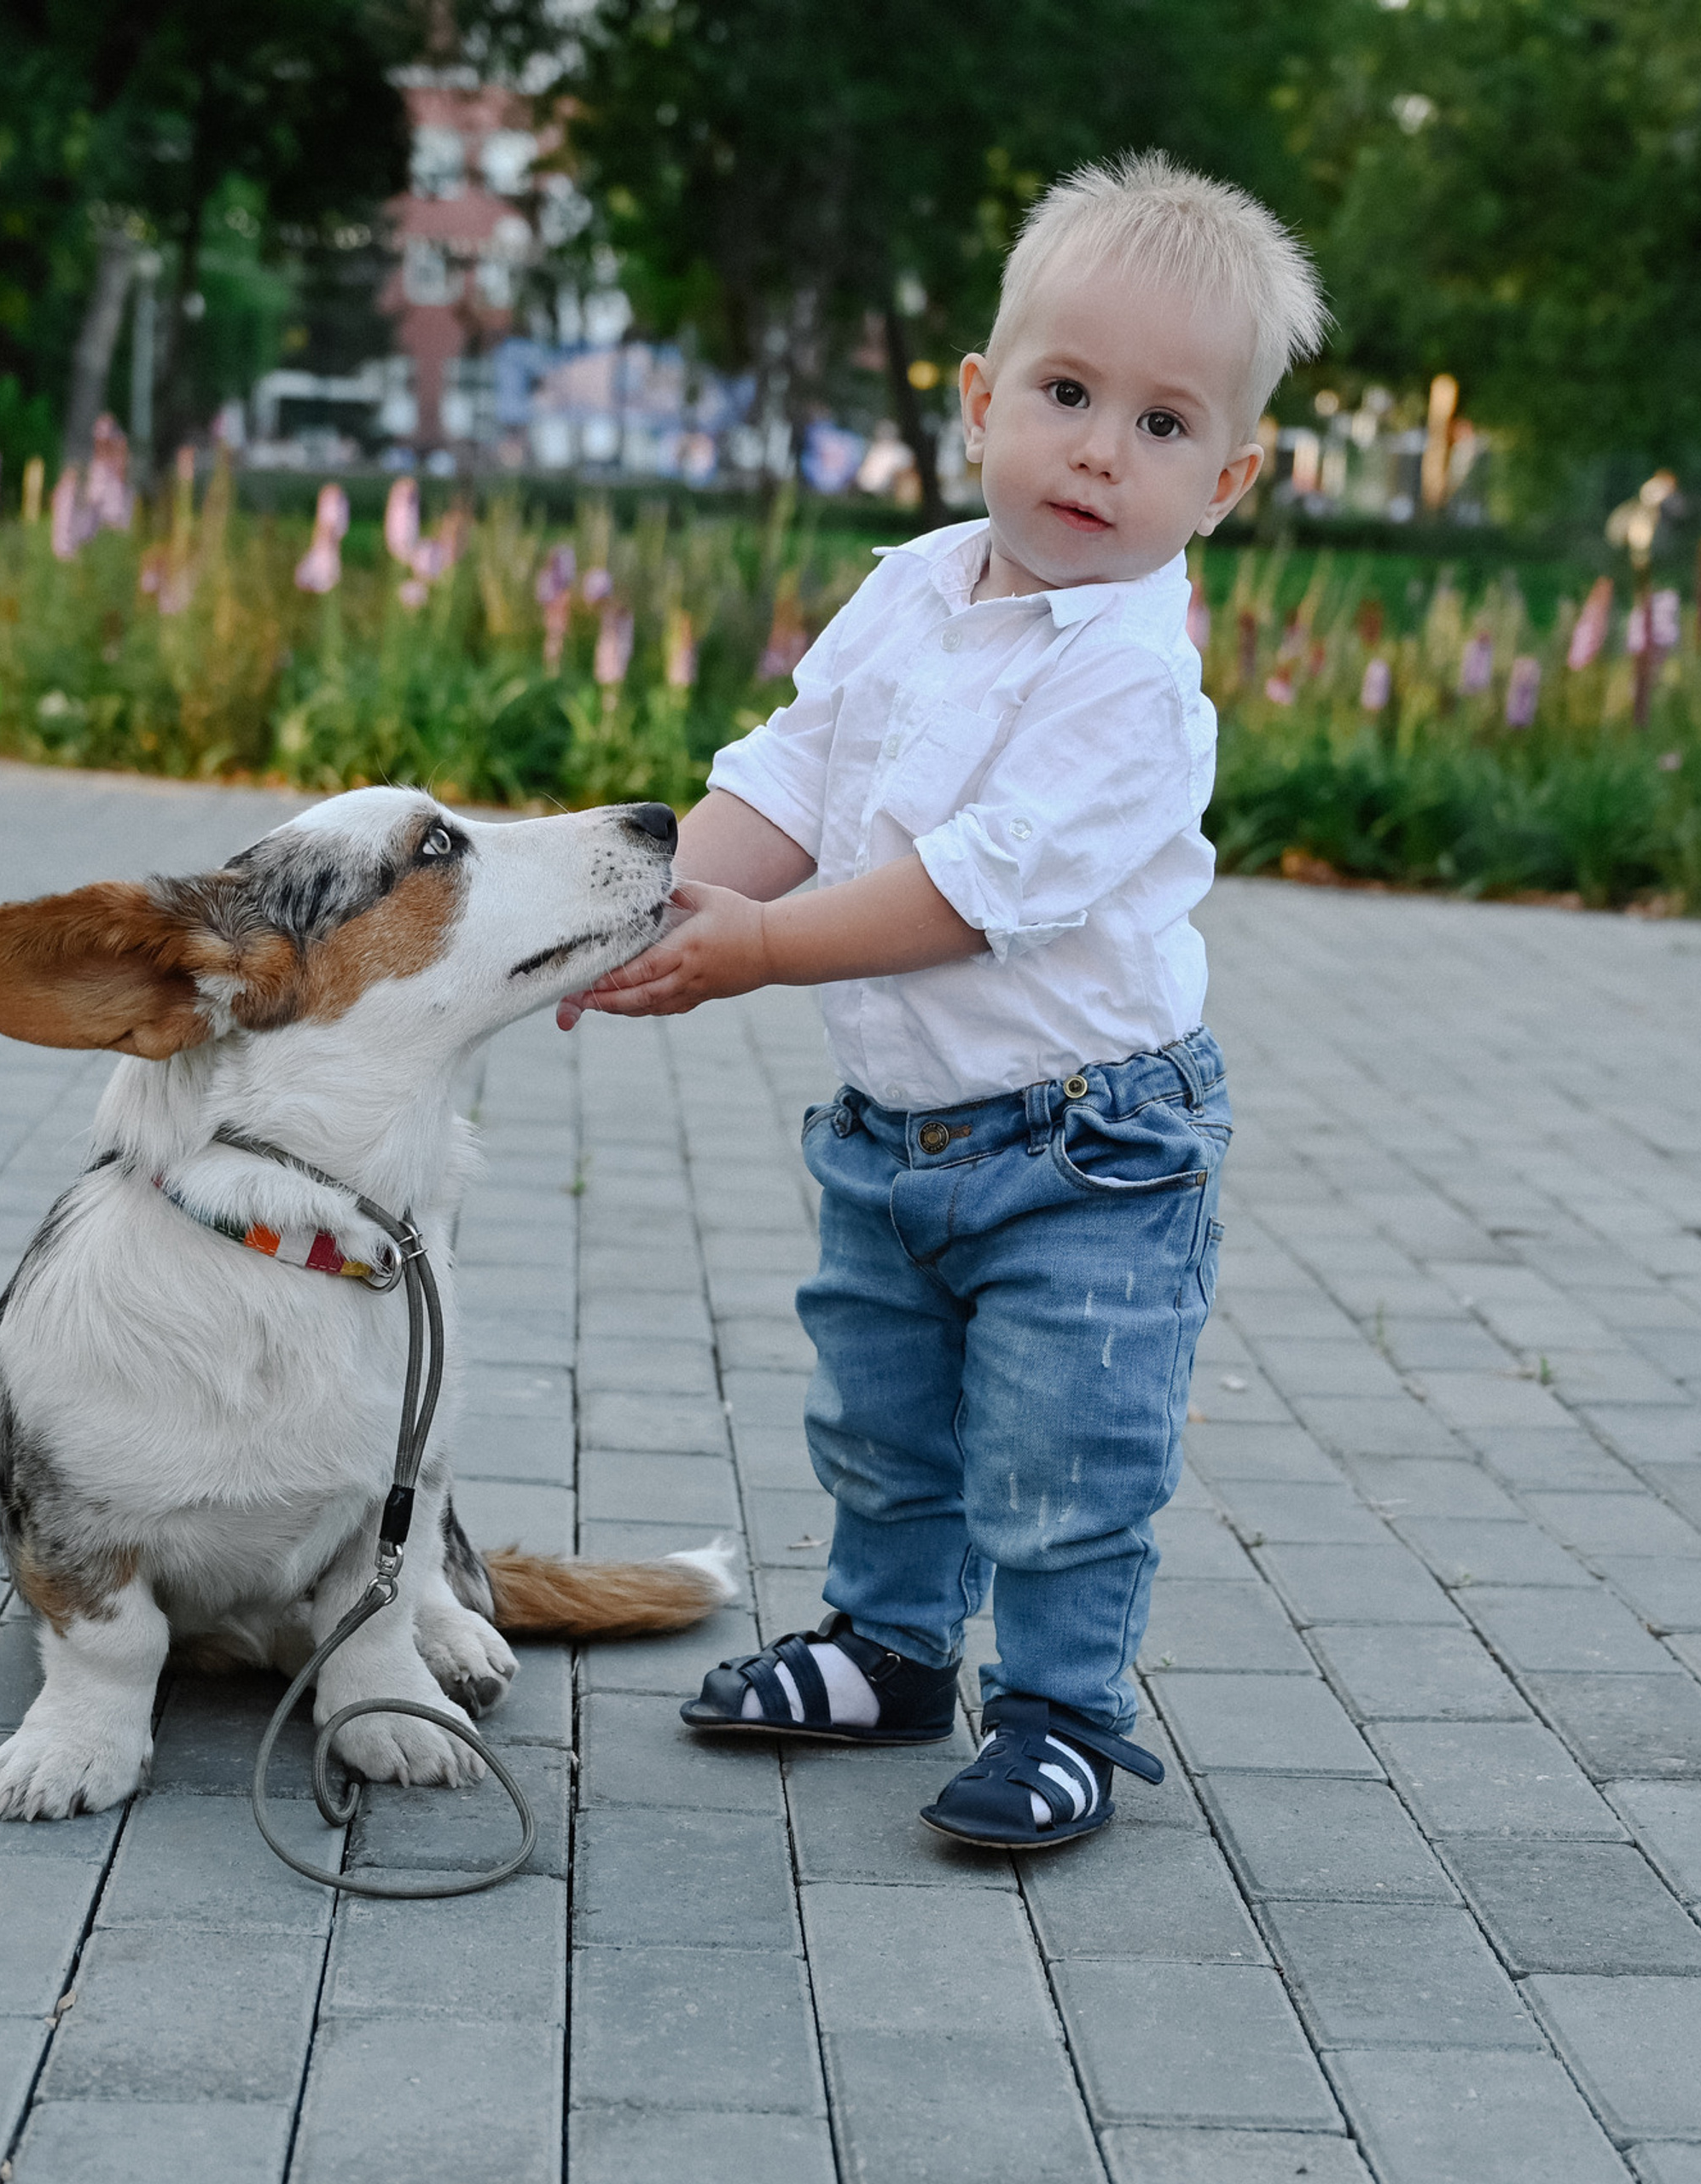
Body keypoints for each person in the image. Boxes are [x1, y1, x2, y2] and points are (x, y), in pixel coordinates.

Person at [559, 152, 1327, 1847]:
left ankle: (1061, 1710)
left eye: (1160, 424)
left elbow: (965, 891)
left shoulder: (1130, 681)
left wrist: (754, 952)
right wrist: (644, 903)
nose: (1096, 451)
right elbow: (786, 778)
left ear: (1225, 480)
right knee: (882, 1416)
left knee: (1065, 1451)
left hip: (1090, 1151)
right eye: (1063, 393)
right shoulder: (908, 587)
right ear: (981, 396)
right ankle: (887, 1646)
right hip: (894, 1132)